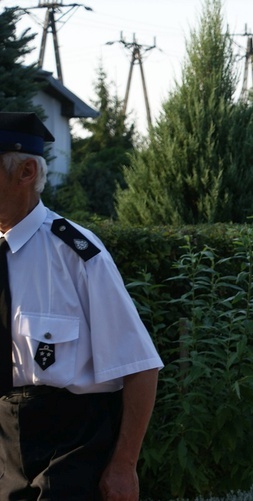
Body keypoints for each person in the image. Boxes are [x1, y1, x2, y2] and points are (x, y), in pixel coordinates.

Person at [0, 112, 163, 500]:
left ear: (25, 172)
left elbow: (140, 367)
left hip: (71, 451)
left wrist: (124, 466)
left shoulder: (76, 254)